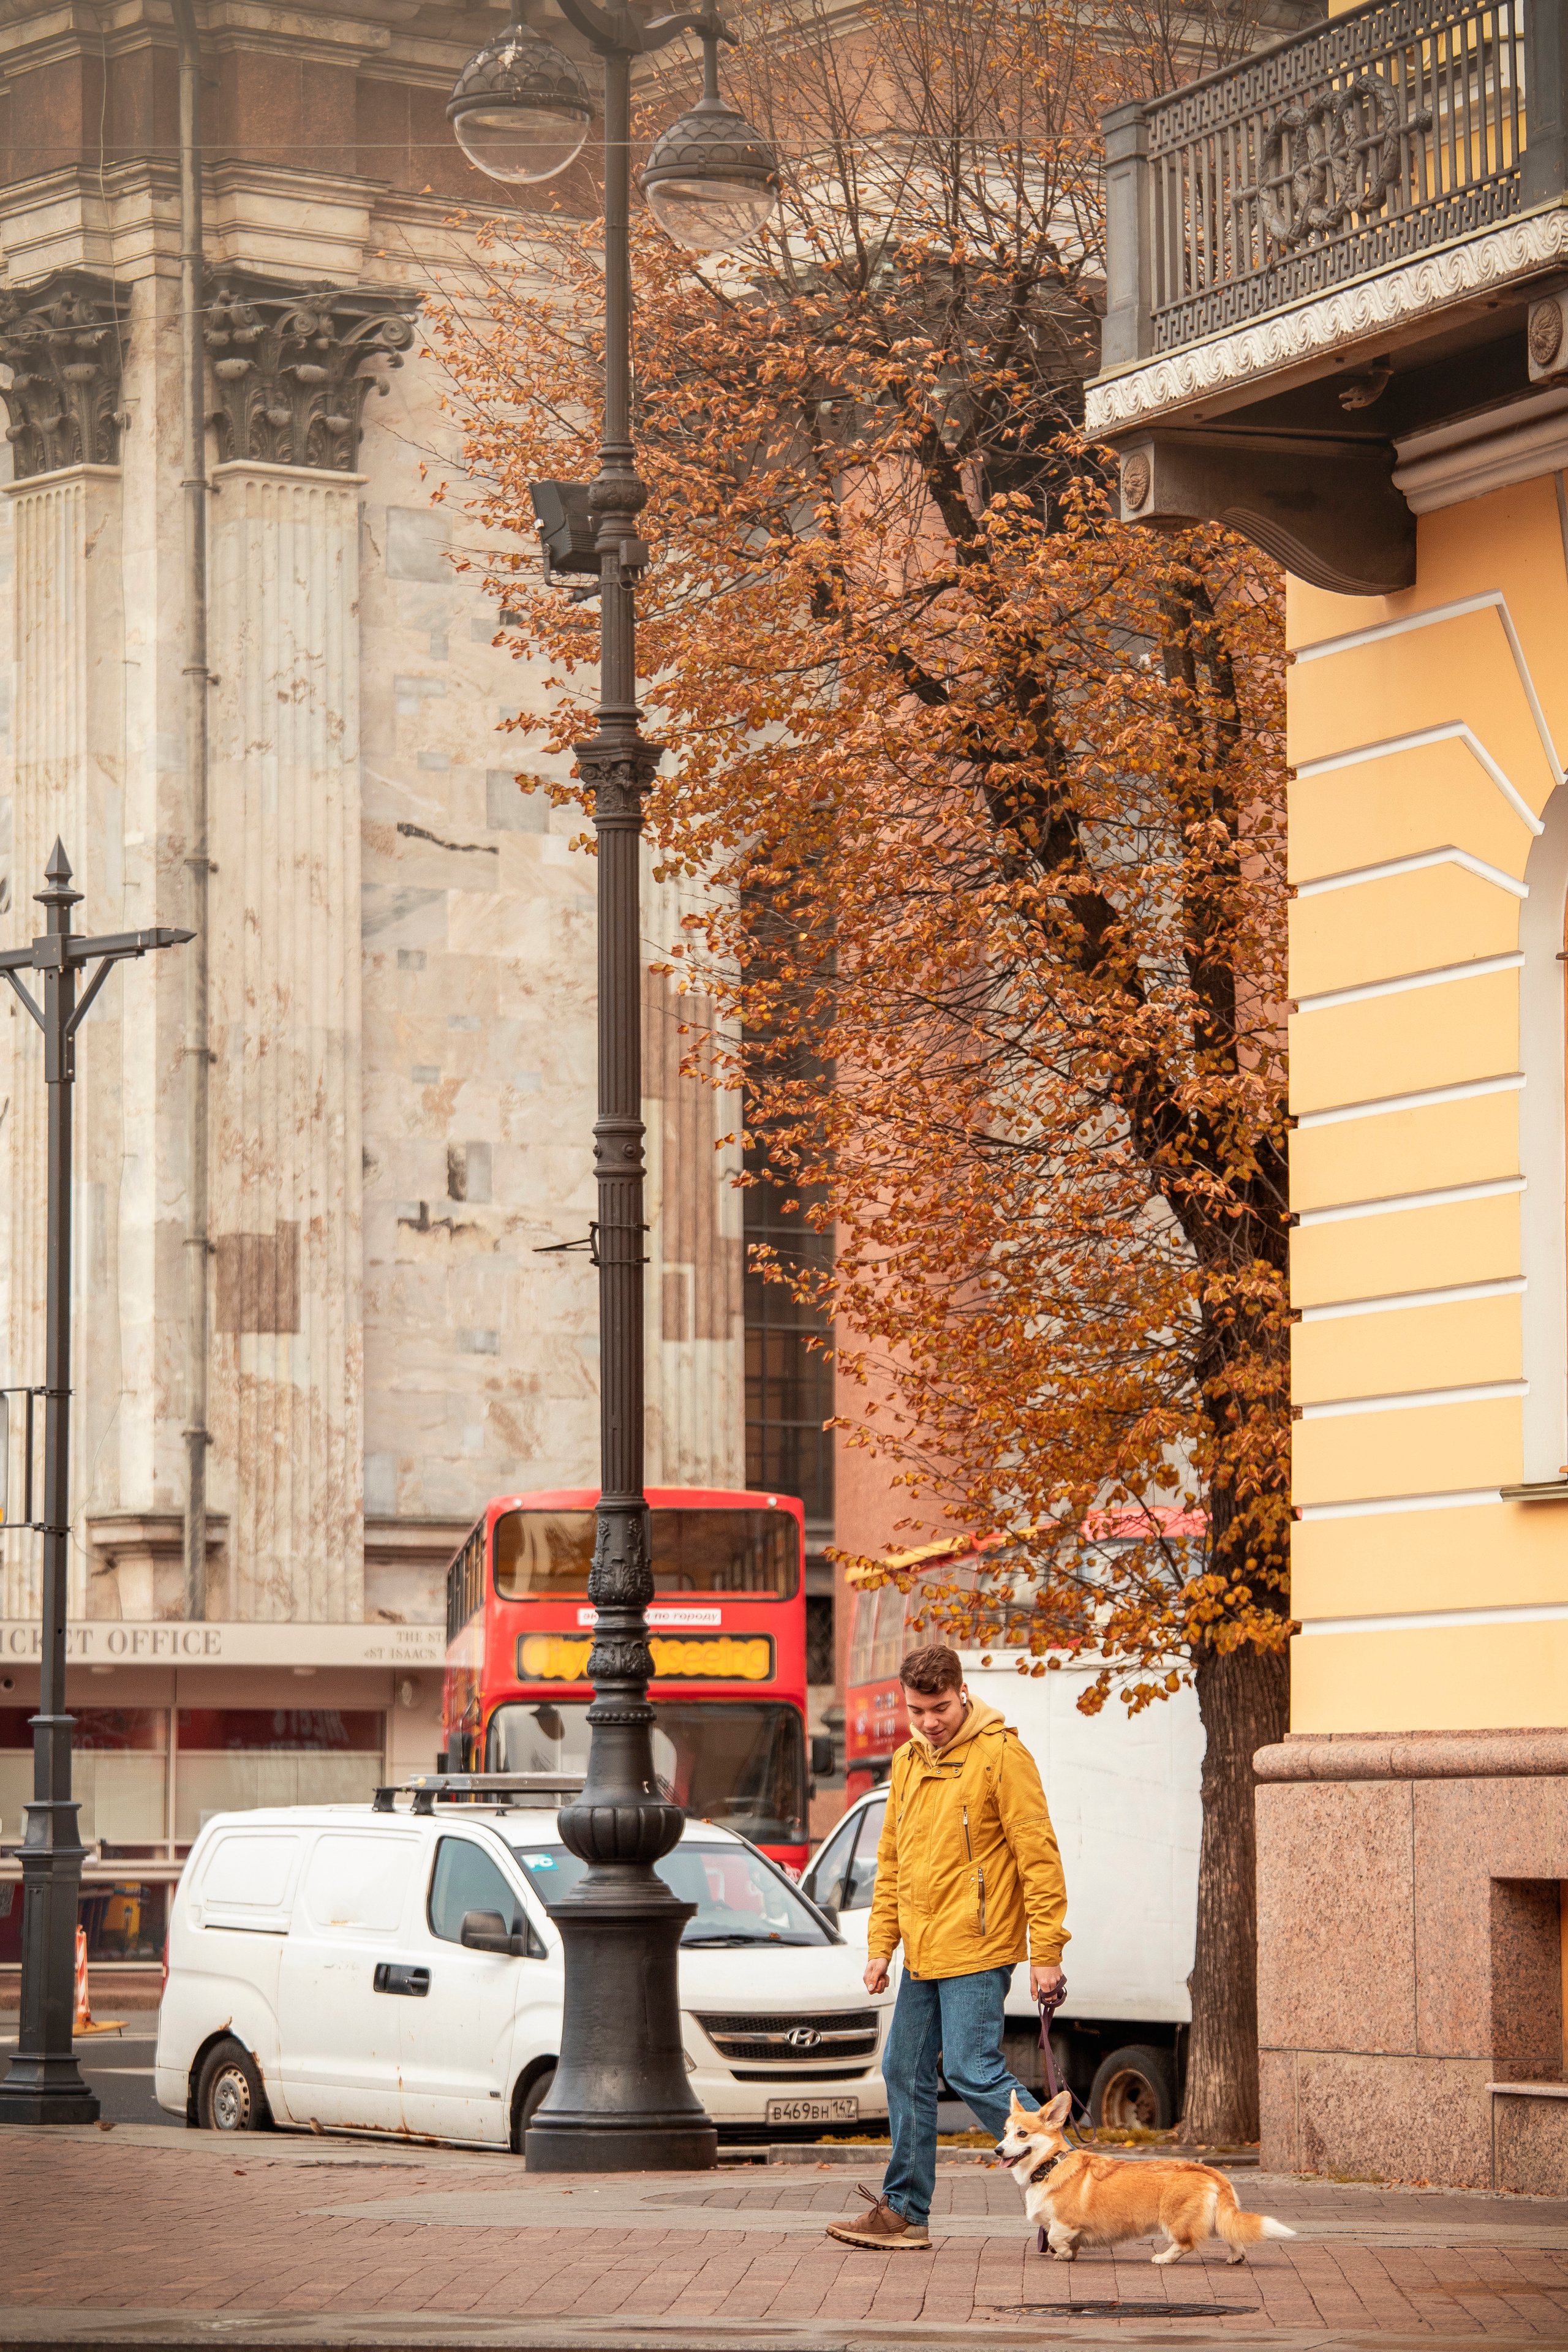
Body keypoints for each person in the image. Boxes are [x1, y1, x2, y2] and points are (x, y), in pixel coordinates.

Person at [825, 1643, 1068, 2251]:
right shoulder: (908, 1761)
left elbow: (1037, 1856)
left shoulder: (1000, 1756)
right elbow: (892, 1859)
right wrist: (881, 1946)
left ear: (962, 1692)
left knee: (969, 2067)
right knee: (902, 2069)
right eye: (917, 1711)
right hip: (924, 1952)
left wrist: (1046, 1952)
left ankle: (1065, 2179)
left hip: (979, 1946)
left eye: (939, 1707)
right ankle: (905, 2213)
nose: (929, 1722)